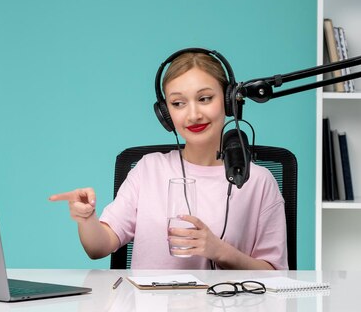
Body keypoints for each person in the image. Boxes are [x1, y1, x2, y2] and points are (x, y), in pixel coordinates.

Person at [49, 50, 287, 270]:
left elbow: (275, 274)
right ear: (165, 114)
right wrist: (87, 218)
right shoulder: (148, 169)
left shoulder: (259, 181)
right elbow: (98, 247)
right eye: (178, 103)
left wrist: (219, 250)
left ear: (228, 101)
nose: (193, 114)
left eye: (204, 98)